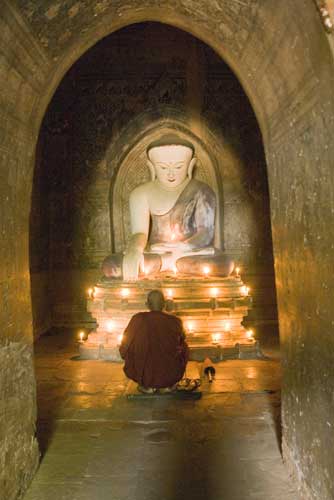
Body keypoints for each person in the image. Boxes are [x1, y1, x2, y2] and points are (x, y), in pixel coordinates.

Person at [102, 134, 234, 280]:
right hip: (157, 254)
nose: (171, 173)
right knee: (112, 266)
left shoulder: (202, 191)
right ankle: (172, 264)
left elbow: (206, 232)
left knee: (224, 264)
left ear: (191, 165)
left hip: (191, 253)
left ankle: (167, 264)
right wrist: (135, 250)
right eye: (163, 167)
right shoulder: (141, 193)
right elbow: (140, 232)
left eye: (178, 166)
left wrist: (182, 247)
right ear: (151, 167)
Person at [119, 289, 189, 393]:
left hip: (144, 376)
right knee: (184, 347)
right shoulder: (175, 321)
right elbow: (182, 342)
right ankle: (168, 385)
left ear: (147, 304)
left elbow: (125, 345)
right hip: (170, 375)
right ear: (164, 304)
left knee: (129, 345)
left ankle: (146, 386)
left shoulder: (137, 319)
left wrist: (128, 354)